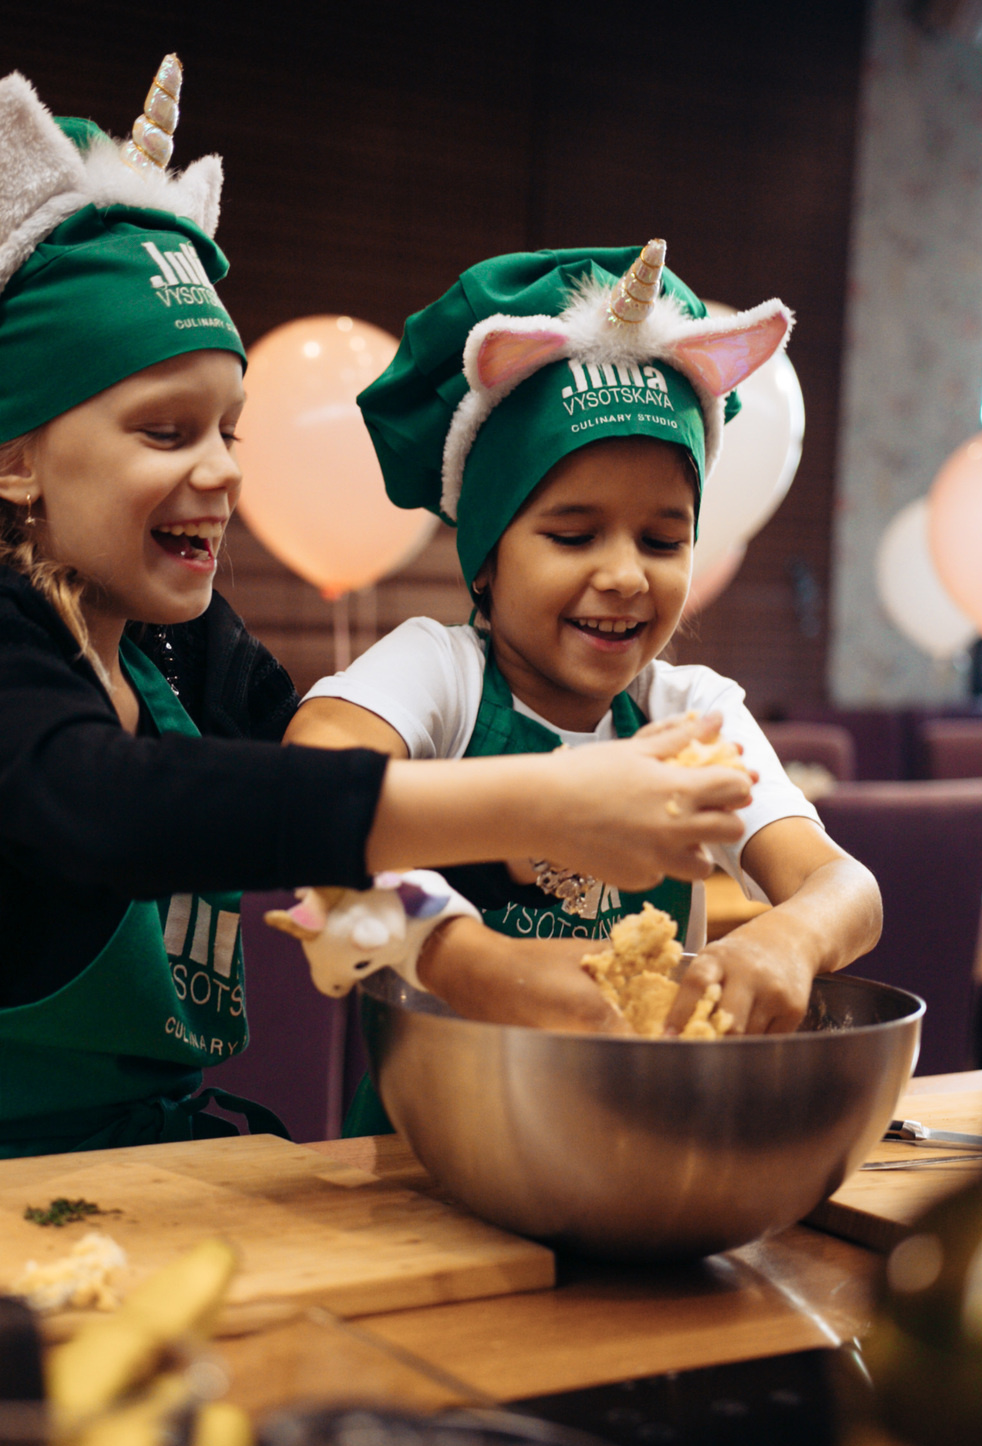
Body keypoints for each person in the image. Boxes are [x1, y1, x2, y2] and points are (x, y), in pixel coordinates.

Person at [0, 65, 751, 1157]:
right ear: (12, 456)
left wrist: (471, 962)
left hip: (151, 1174)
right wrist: (540, 801)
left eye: (229, 430)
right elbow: (104, 808)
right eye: (166, 433)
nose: (223, 473)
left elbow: (323, 841)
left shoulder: (183, 649)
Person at [290, 241, 881, 1058]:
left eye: (664, 539)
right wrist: (474, 958)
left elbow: (846, 884)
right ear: (488, 556)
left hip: (641, 1136)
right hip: (423, 1146)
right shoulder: (440, 675)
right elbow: (309, 790)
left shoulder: (690, 714)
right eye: (573, 535)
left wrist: (792, 937)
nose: (625, 575)